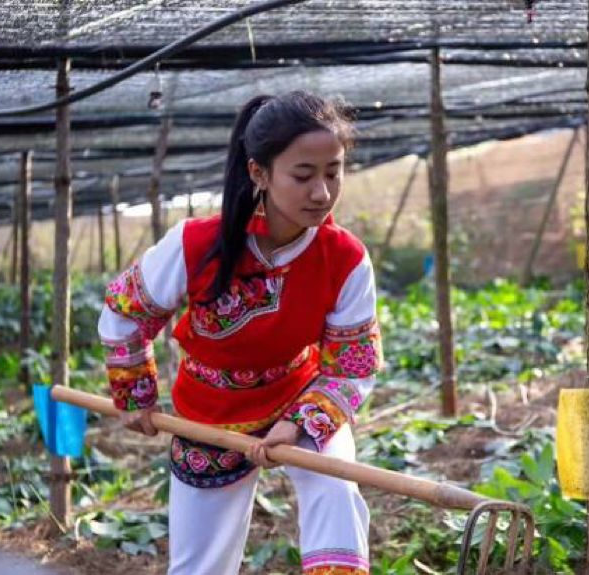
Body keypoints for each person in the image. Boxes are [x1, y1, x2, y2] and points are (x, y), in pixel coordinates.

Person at [98, 91, 382, 575]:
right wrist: (136, 396)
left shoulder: (346, 258)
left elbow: (351, 367)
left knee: (336, 491)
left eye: (333, 172)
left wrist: (299, 424)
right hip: (208, 416)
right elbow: (125, 313)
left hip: (300, 401)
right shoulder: (194, 244)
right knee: (199, 565)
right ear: (259, 173)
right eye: (303, 175)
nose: (322, 192)